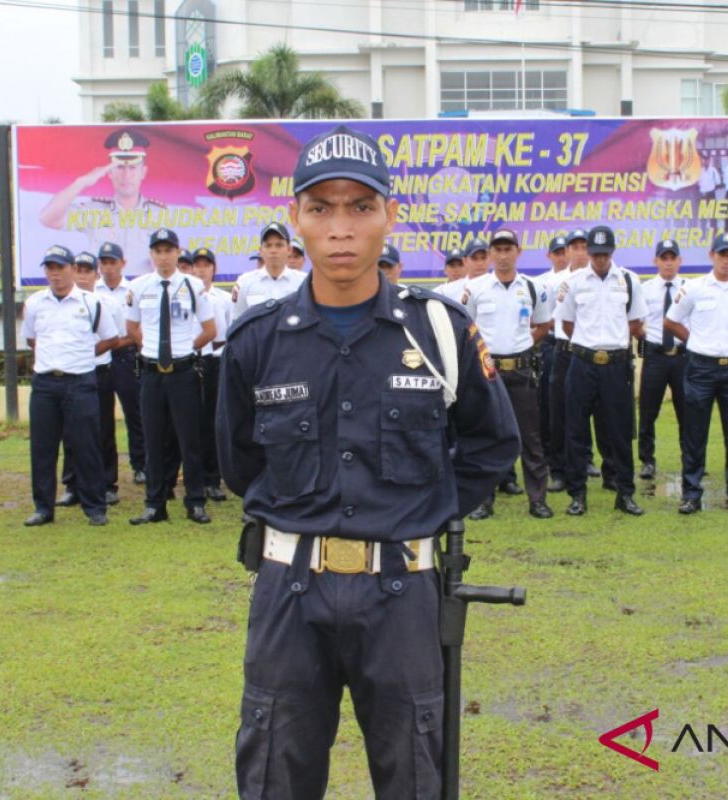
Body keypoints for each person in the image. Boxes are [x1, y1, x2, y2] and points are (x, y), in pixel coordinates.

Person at [217, 124, 519, 799]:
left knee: (414, 774)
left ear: (390, 216)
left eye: (361, 206)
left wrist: (422, 510)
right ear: (295, 220)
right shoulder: (256, 342)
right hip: (287, 592)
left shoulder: (439, 330)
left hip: (403, 594)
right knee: (274, 772)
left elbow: (491, 444)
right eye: (321, 208)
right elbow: (238, 461)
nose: (341, 228)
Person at [664, 232, 728, 515]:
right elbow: (671, 321)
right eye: (722, 254)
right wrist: (694, 339)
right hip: (700, 367)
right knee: (695, 433)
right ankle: (692, 494)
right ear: (712, 256)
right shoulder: (694, 288)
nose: (726, 260)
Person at [124, 228, 217, 525]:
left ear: (178, 253)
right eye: (158, 251)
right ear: (151, 254)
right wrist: (151, 350)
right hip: (152, 374)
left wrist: (184, 350)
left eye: (168, 250)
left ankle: (195, 502)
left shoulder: (193, 286)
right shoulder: (139, 287)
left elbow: (210, 330)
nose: (163, 256)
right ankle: (155, 504)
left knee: (189, 439)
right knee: (152, 439)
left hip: (183, 372)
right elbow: (131, 328)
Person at [22, 246, 120, 527]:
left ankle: (94, 506)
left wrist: (82, 354)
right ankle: (43, 507)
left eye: (60, 268)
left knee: (86, 445)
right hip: (44, 383)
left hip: (79, 381)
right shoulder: (35, 303)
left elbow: (110, 338)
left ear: (72, 270)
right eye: (49, 268)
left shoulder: (90, 303)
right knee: (43, 447)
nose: (54, 274)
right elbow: (31, 339)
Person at [556, 224, 646, 516]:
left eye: (605, 254)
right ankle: (578, 495)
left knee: (619, 431)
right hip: (582, 363)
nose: (600, 259)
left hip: (616, 366)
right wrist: (591, 346)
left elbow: (634, 324)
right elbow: (568, 324)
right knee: (576, 431)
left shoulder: (629, 281)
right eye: (595, 254)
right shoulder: (574, 282)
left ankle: (625, 493)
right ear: (588, 253)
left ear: (613, 252)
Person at [464, 228, 552, 520]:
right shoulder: (476, 289)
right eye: (498, 250)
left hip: (522, 370)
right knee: (486, 435)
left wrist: (524, 346)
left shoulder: (532, 288)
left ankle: (537, 500)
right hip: (488, 372)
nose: (503, 255)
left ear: (518, 252)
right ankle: (483, 501)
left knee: (531, 438)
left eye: (508, 249)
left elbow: (543, 325)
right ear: (490, 254)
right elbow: (467, 330)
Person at [39, 128, 164, 276]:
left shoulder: (159, 214)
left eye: (132, 167)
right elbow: (48, 218)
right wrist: (81, 182)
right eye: (120, 167)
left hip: (143, 294)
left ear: (143, 172)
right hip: (102, 292)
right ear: (109, 172)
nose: (126, 175)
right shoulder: (95, 211)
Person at [60, 251, 126, 508]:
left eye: (88, 271)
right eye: (79, 271)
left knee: (103, 429)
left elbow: (117, 336)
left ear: (96, 275)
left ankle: (107, 484)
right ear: (72, 273)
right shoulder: (63, 302)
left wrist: (89, 352)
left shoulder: (105, 303)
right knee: (70, 431)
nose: (83, 276)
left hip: (99, 372)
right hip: (71, 374)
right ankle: (72, 484)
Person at [93, 241, 147, 485]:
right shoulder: (92, 292)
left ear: (122, 263)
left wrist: (118, 341)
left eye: (112, 262)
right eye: (103, 262)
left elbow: (137, 328)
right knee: (102, 419)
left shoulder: (133, 289)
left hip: (126, 357)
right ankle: (106, 473)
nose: (108, 267)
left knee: (135, 415)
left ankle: (141, 465)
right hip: (101, 359)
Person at [637, 239, 687, 480]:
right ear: (655, 261)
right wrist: (648, 338)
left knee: (688, 412)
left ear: (679, 261)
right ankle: (647, 460)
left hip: (682, 357)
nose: (668, 263)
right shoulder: (645, 289)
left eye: (672, 258)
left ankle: (690, 458)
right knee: (648, 410)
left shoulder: (689, 288)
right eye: (663, 258)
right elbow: (636, 321)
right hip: (656, 355)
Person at [191, 247, 232, 502]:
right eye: (197, 265)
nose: (201, 269)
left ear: (213, 269)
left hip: (214, 363)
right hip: (188, 363)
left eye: (206, 265)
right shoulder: (184, 296)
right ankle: (192, 478)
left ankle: (212, 479)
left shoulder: (224, 299)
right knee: (189, 426)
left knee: (213, 424)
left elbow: (228, 333)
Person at [536, 234, 570, 490]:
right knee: (550, 405)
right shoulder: (542, 283)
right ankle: (550, 458)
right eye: (556, 252)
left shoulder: (575, 279)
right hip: (550, 343)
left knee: (578, 405)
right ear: (550, 255)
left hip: (577, 345)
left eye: (563, 251)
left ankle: (585, 458)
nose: (561, 256)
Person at [231, 222, 306, 320]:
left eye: (279, 245)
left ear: (289, 249)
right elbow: (238, 321)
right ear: (261, 250)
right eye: (268, 245)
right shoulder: (245, 282)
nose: (273, 250)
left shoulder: (304, 282)